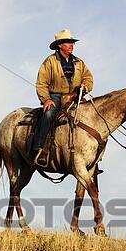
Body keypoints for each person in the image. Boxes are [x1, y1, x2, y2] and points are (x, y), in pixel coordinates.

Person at [33, 29, 93, 166]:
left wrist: (85, 86)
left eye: (72, 42)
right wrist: (46, 99)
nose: (72, 45)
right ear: (60, 45)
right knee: (48, 115)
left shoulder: (79, 62)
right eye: (68, 42)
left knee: (91, 117)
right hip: (55, 96)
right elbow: (41, 83)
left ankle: (92, 159)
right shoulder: (49, 61)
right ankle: (39, 148)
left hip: (74, 96)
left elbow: (88, 78)